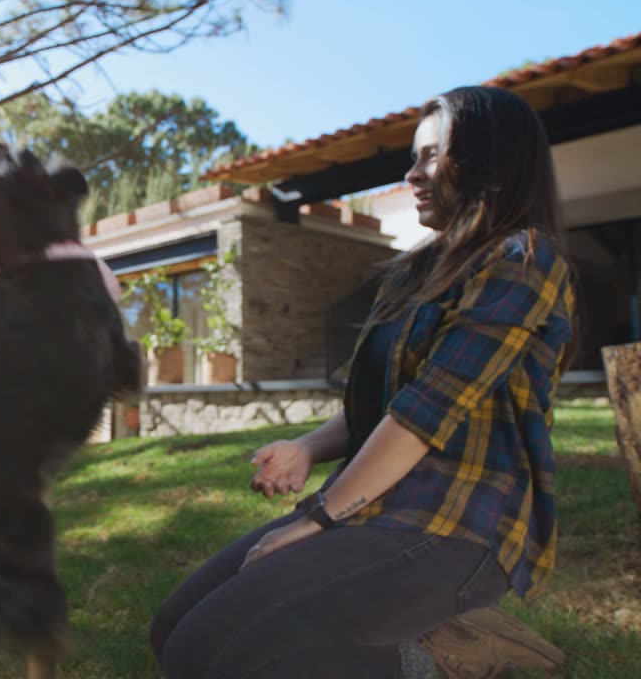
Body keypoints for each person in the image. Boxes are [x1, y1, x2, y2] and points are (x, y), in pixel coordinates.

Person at [149, 86, 578, 679]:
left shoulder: (523, 262)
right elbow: (375, 405)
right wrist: (306, 448)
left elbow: (424, 413)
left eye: (431, 155)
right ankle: (427, 651)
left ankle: (448, 663)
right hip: (376, 503)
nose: (412, 173)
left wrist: (317, 517)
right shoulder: (416, 271)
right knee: (173, 628)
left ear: (489, 160)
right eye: (415, 157)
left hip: (460, 522)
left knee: (210, 654)